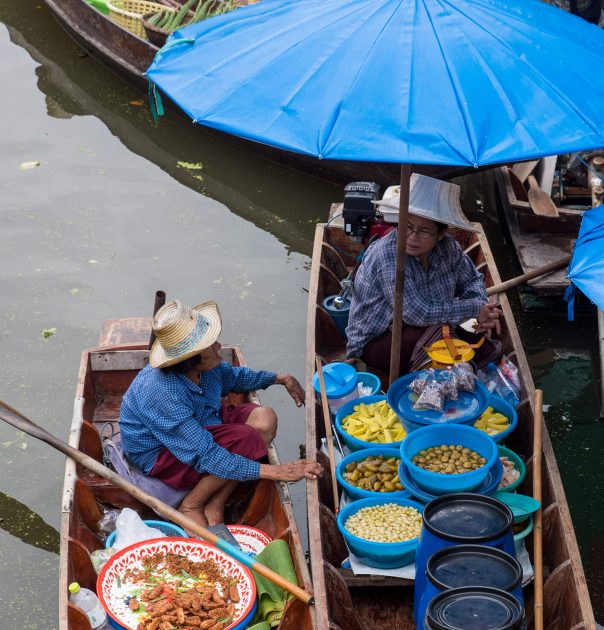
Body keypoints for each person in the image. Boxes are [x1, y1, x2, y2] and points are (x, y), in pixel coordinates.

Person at [119, 298, 321, 527]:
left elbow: (237, 377)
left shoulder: (206, 368)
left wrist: (280, 379)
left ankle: (216, 502)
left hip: (202, 418)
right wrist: (277, 471)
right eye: (210, 345)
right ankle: (193, 504)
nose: (218, 346)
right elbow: (206, 454)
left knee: (265, 419)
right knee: (247, 439)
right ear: (190, 359)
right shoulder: (161, 393)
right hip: (160, 451)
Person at [345, 174, 501, 376]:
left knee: (487, 342)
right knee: (441, 334)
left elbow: (472, 279)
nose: (412, 237)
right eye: (407, 226)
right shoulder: (388, 254)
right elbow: (417, 313)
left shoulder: (449, 248)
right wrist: (473, 308)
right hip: (377, 342)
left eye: (424, 231)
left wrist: (481, 312)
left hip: (429, 327)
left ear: (441, 233)